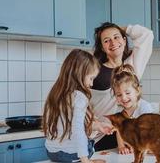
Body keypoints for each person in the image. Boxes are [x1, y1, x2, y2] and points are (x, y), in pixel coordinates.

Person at [91, 22, 153, 151]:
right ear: (102, 47)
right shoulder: (95, 71)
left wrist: (122, 29)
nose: (113, 43)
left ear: (124, 40)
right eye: (107, 40)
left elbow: (147, 35)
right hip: (102, 136)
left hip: (125, 135)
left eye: (116, 37)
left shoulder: (132, 64)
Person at [42, 49, 113, 163]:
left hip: (52, 153)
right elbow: (78, 129)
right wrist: (85, 159)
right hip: (71, 155)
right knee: (89, 144)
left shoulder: (56, 93)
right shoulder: (79, 97)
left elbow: (69, 124)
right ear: (80, 74)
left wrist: (98, 126)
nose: (91, 84)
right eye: (91, 78)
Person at [111, 64, 153, 154]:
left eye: (127, 93)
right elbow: (119, 130)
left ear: (137, 91)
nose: (124, 98)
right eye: (119, 95)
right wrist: (121, 146)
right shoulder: (119, 110)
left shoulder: (144, 108)